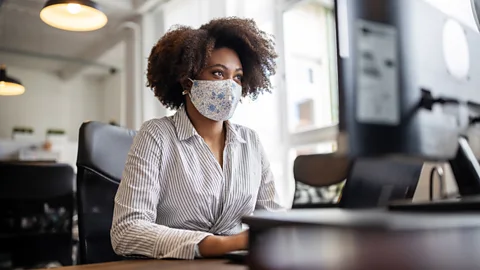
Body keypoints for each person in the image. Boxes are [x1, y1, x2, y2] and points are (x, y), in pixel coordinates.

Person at [110, 17, 283, 260]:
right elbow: (126, 231)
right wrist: (224, 244)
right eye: (218, 73)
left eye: (237, 77)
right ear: (187, 80)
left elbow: (274, 219)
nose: (230, 86)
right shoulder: (156, 136)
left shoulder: (251, 142)